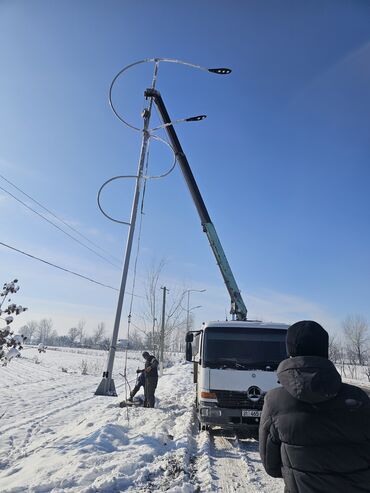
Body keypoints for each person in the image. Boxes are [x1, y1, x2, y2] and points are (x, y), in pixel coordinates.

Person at [259, 320, 370, 493]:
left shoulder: (275, 401)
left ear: (290, 352)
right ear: (325, 351)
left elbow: (271, 466)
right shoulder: (359, 398)